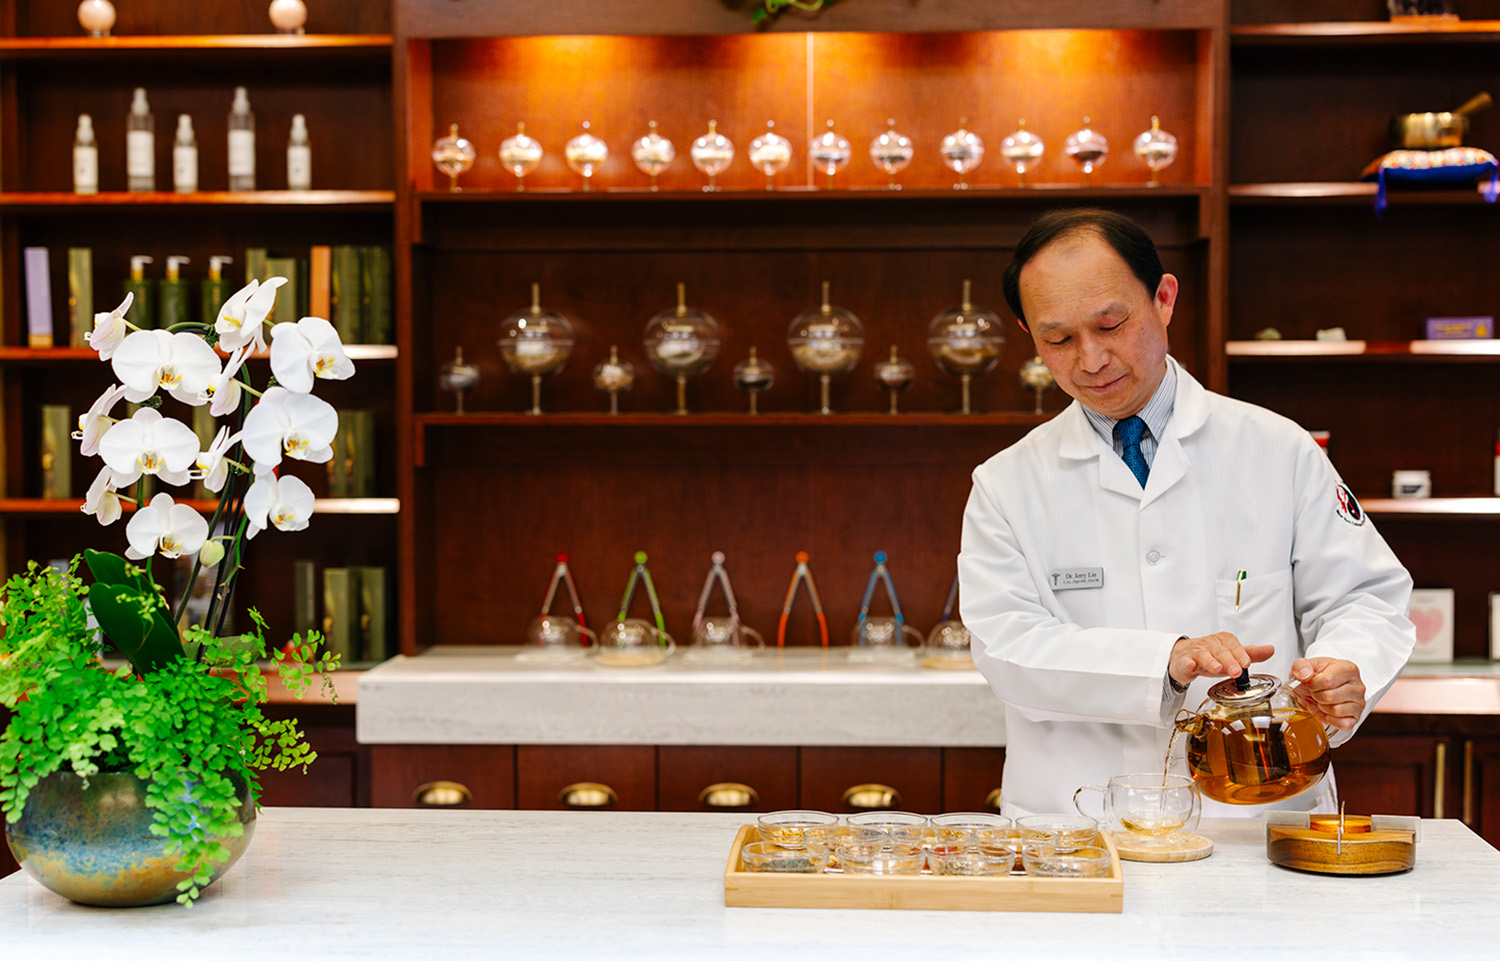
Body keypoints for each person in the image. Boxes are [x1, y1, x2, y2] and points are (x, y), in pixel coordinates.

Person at [957, 208, 1415, 818]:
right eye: (1058, 340)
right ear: (1028, 333)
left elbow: (1365, 598)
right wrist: (1162, 663)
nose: (1091, 359)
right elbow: (1005, 646)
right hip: (1079, 829)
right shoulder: (1006, 484)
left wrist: (1347, 667)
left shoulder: (1278, 449)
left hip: (1255, 819)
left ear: (1164, 298)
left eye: (1112, 324)